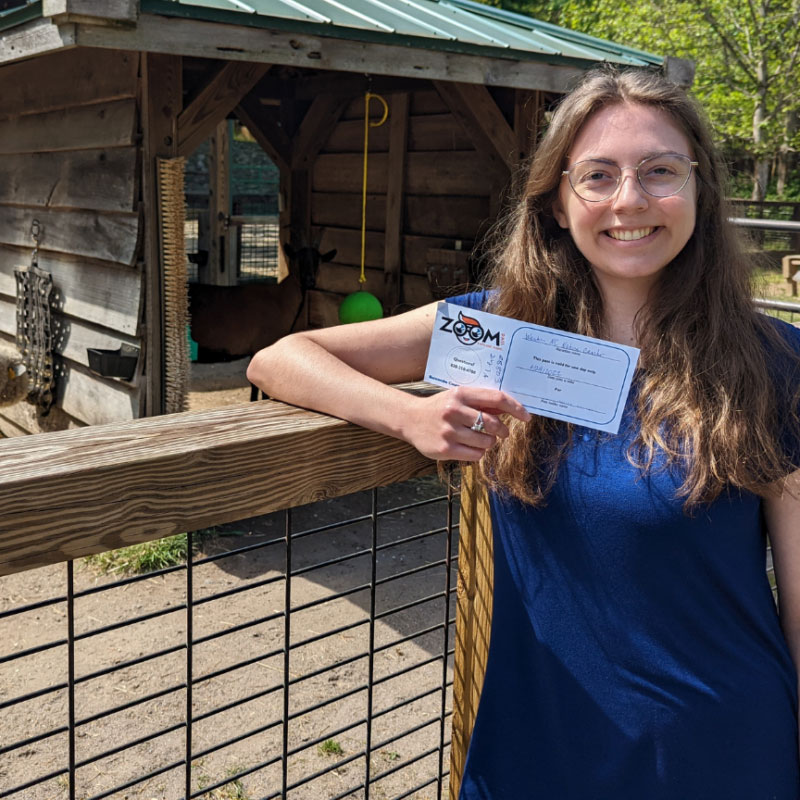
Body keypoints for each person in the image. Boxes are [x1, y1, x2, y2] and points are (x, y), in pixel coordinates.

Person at [248, 67, 800, 798]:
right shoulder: (502, 333)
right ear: (556, 202)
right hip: (538, 743)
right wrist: (409, 416)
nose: (630, 199)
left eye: (660, 171)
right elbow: (281, 358)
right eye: (598, 175)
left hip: (715, 750)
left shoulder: (774, 360)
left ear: (699, 188)